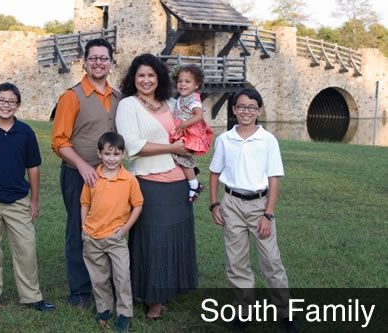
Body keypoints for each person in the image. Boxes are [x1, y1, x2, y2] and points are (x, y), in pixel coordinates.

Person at [115, 53, 198, 320]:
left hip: (179, 185)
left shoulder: (172, 102)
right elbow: (132, 146)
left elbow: (191, 131)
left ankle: (169, 290)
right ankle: (152, 300)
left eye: (151, 75)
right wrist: (173, 147)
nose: (146, 80)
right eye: (141, 75)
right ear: (133, 78)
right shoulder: (128, 105)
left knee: (175, 237)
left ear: (159, 77)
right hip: (151, 184)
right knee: (153, 242)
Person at [208, 88, 297, 332]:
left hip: (260, 204)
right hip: (232, 203)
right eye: (241, 107)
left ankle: (285, 312)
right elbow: (215, 172)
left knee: (271, 260)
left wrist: (268, 214)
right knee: (236, 261)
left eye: (251, 107)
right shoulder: (225, 139)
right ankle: (244, 310)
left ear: (259, 111)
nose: (246, 111)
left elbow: (274, 179)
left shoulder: (267, 140)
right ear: (234, 110)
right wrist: (215, 203)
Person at [0, 82, 54, 311]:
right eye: (1, 101)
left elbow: (33, 168)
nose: (6, 105)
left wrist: (34, 200)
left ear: (18, 105)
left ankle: (31, 296)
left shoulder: (25, 132)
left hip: (17, 199)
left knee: (26, 247)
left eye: (11, 101)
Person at [51, 38, 121, 307]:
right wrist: (81, 165)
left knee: (108, 227)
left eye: (104, 58)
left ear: (111, 63)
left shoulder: (118, 99)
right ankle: (80, 291)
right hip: (77, 174)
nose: (98, 63)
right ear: (85, 62)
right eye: (93, 58)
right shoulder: (71, 96)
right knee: (79, 229)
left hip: (110, 175)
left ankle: (107, 283)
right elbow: (59, 141)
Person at [80, 132, 143, 332]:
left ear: (123, 155)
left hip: (116, 238)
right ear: (99, 154)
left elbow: (138, 205)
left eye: (116, 154)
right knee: (99, 278)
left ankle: (124, 313)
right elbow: (84, 203)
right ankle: (104, 309)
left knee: (122, 277)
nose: (111, 159)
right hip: (92, 237)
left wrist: (125, 229)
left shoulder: (129, 180)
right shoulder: (92, 177)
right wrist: (84, 227)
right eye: (107, 154)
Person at [169, 64, 213, 203]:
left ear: (196, 85)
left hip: (189, 132)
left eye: (187, 82)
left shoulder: (194, 99)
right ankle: (192, 170)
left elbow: (199, 116)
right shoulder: (181, 98)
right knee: (175, 153)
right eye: (180, 81)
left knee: (179, 155)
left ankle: (194, 184)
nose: (182, 84)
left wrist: (184, 124)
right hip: (182, 130)